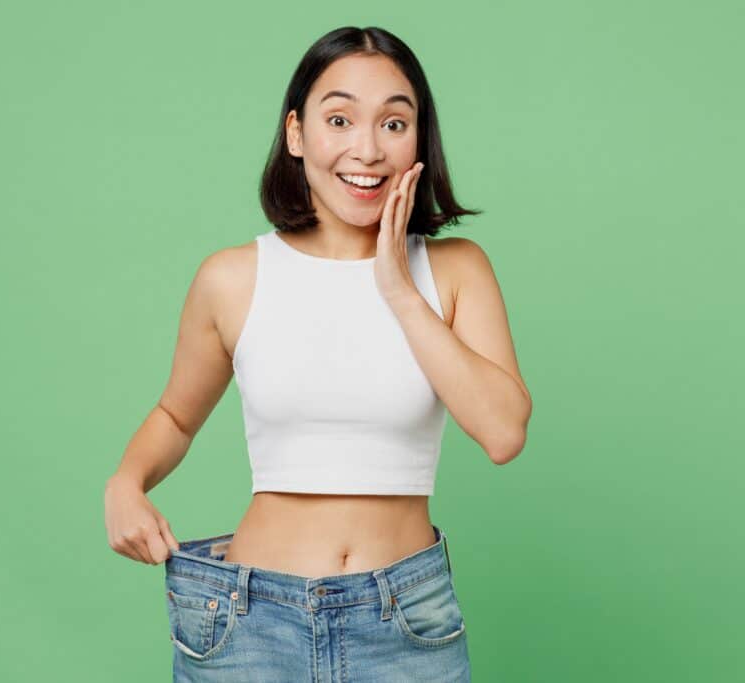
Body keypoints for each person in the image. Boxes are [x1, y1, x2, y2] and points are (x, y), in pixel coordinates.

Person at [104, 25, 532, 682]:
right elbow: (176, 416)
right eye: (340, 118)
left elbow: (503, 431)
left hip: (406, 624)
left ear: (420, 138)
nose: (367, 147)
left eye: (395, 122)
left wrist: (398, 289)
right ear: (298, 133)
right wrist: (125, 482)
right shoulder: (233, 277)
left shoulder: (455, 272)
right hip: (248, 624)